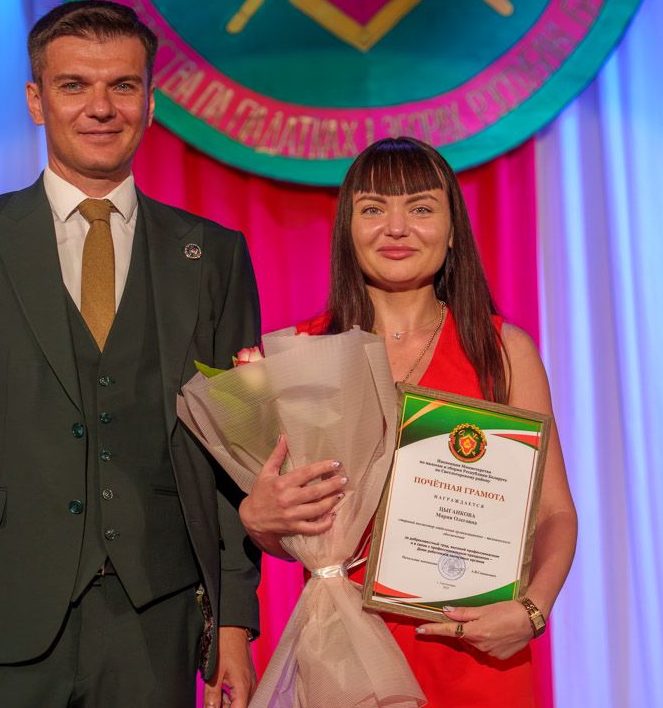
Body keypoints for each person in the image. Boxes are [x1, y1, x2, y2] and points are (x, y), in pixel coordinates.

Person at [0, 0, 261, 708]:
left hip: (156, 623)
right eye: (74, 85)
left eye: (123, 85)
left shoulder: (213, 256)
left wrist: (233, 620)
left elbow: (236, 457)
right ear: (36, 100)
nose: (100, 108)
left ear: (151, 101)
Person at [238, 137, 577, 707]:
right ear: (348, 229)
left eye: (420, 208)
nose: (396, 228)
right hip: (344, 657)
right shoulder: (299, 353)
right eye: (373, 208)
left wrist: (532, 611)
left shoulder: (503, 351)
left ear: (452, 229)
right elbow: (285, 532)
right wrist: (257, 518)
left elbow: (554, 513)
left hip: (476, 655)